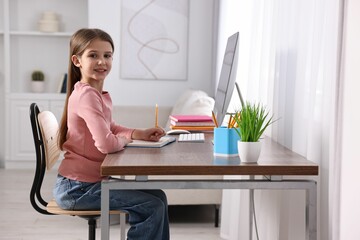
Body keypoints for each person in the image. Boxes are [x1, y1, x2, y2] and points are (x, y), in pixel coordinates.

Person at [53, 28, 169, 240]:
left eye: (107, 56)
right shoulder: (87, 95)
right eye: (93, 55)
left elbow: (110, 127)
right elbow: (107, 144)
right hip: (77, 189)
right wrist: (124, 140)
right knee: (152, 206)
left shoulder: (96, 94)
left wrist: (138, 133)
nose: (101, 62)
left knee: (158, 197)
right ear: (77, 60)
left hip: (87, 183)